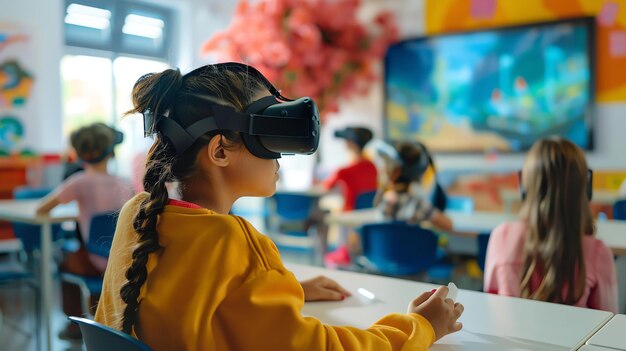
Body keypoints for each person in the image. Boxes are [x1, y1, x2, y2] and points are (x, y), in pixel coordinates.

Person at [94, 63, 464, 350]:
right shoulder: (233, 242)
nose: (280, 155)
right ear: (220, 150)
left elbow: (191, 304)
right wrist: (420, 326)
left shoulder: (137, 213)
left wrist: (288, 289)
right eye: (268, 136)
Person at [484, 137, 618, 313]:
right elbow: (609, 324)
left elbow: (490, 304)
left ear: (524, 185)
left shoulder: (501, 236)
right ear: (585, 188)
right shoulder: (598, 253)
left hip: (509, 340)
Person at [36, 122, 134, 339]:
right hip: (124, 260)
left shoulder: (79, 182)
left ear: (79, 154)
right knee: (91, 256)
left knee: (64, 259)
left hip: (94, 259)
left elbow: (43, 208)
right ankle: (101, 319)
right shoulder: (125, 183)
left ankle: (74, 325)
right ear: (111, 151)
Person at [322, 126, 378, 267]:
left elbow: (327, 186)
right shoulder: (373, 166)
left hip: (348, 218)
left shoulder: (344, 171)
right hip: (367, 217)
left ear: (351, 144)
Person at [376, 141, 453, 232]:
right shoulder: (418, 204)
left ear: (396, 173)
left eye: (387, 167)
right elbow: (448, 225)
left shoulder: (383, 199)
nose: (383, 170)